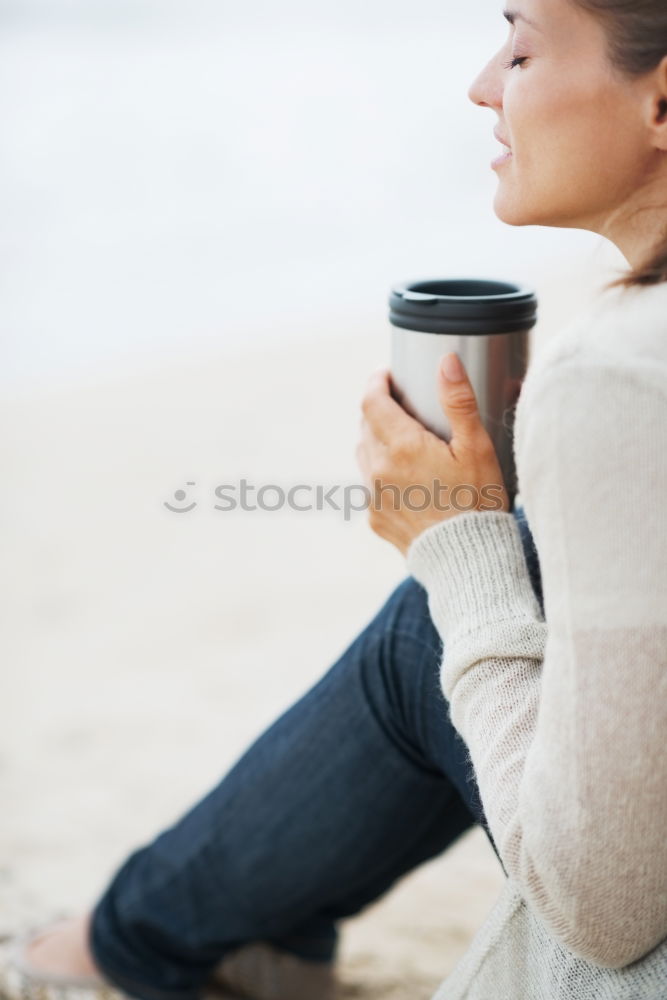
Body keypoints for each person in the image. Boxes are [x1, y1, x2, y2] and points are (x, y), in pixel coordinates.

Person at [2, 0, 666, 998]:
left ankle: (137, 942)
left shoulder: (617, 374)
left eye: (521, 46)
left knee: (438, 622)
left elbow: (604, 912)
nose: (482, 84)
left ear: (660, 101)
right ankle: (181, 929)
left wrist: (458, 545)